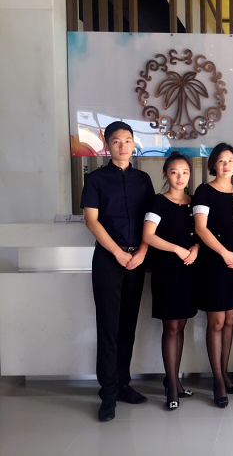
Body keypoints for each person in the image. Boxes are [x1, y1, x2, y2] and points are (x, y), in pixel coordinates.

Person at [80, 121, 155, 422]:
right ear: (106, 144)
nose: (122, 146)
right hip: (109, 260)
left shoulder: (143, 180)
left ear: (134, 143)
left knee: (128, 324)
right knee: (108, 326)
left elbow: (152, 220)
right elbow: (91, 220)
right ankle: (108, 393)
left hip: (137, 259)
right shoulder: (95, 179)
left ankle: (123, 384)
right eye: (116, 141)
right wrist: (118, 253)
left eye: (127, 140)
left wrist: (142, 252)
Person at [193, 143, 233, 408]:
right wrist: (225, 253)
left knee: (229, 319)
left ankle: (225, 373)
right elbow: (201, 229)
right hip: (213, 262)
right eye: (221, 160)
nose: (226, 165)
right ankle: (217, 379)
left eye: (230, 160)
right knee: (215, 321)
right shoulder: (203, 191)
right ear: (213, 164)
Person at [142, 151, 198, 411]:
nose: (180, 177)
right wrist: (177, 249)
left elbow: (202, 232)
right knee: (171, 327)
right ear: (166, 174)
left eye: (184, 172)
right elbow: (148, 235)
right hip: (167, 270)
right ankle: (172, 387)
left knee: (182, 324)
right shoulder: (158, 202)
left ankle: (174, 379)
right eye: (174, 172)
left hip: (189, 270)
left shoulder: (194, 203)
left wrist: (195, 248)